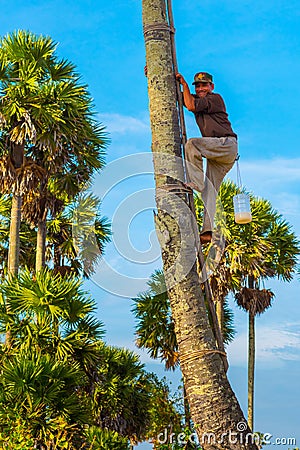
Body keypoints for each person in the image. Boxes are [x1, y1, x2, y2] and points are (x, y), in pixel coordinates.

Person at [176, 71, 238, 244]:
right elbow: (175, 94)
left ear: (211, 86)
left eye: (204, 85)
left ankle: (196, 182)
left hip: (226, 145)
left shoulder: (215, 98)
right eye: (198, 86)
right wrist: (155, 75)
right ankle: (208, 231)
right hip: (217, 156)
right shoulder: (195, 98)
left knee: (192, 144)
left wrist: (185, 85)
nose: (201, 88)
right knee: (209, 192)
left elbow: (190, 106)